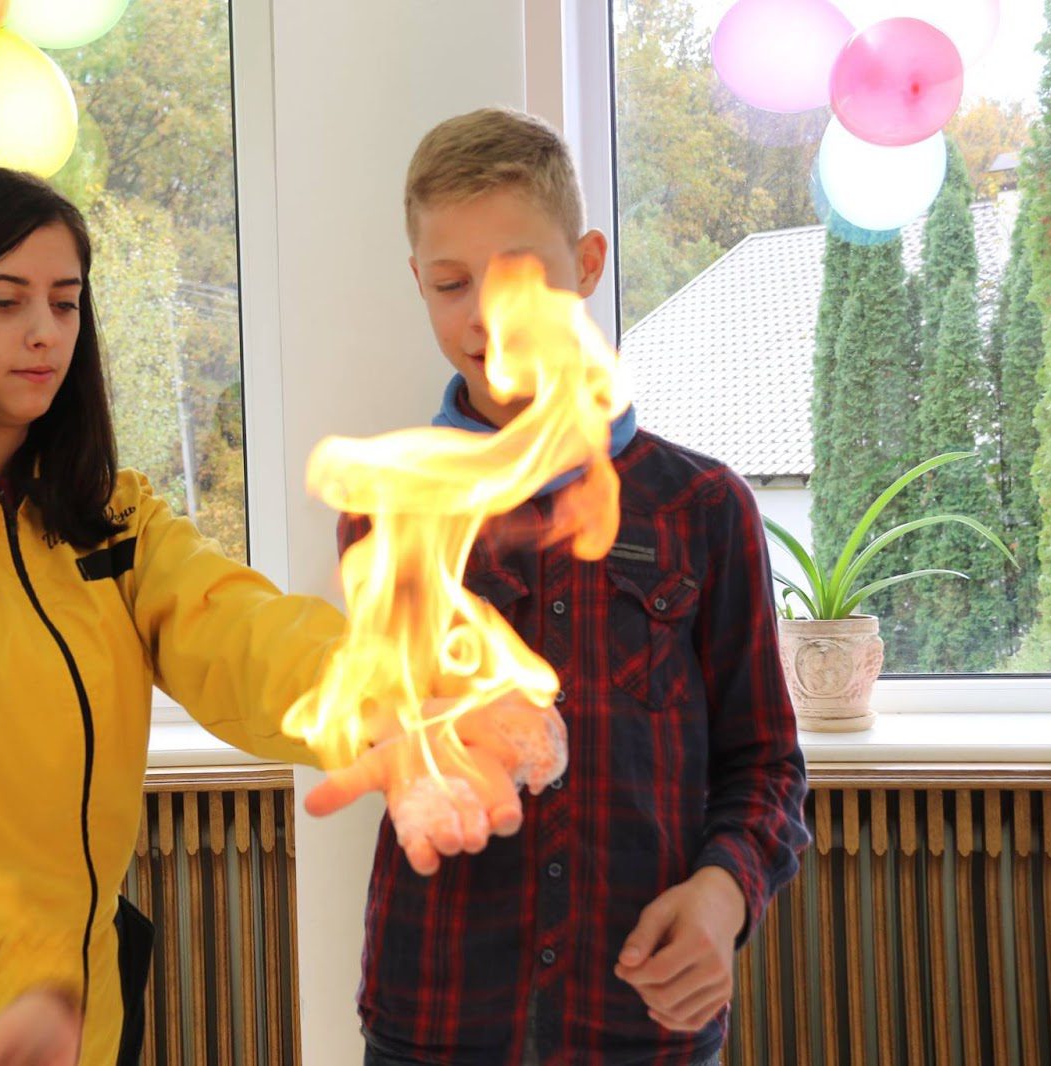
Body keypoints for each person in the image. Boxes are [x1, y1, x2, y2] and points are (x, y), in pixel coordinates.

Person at [0, 164, 530, 1066]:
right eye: (4, 302)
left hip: (76, 998)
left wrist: (391, 695)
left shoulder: (108, 514)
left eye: (66, 302)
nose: (45, 332)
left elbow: (236, 629)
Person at [311, 108, 811, 1065]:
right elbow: (386, 732)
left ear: (586, 265)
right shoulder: (384, 514)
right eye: (452, 284)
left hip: (642, 1025)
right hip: (438, 1020)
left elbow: (765, 765)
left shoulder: (703, 508)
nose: (486, 316)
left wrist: (723, 895)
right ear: (418, 282)